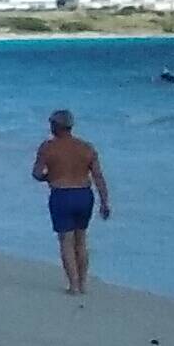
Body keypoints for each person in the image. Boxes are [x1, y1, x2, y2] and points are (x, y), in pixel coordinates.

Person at [32, 108, 113, 295]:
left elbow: (37, 173)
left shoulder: (48, 147)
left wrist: (50, 177)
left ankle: (73, 285)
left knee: (66, 242)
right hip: (84, 194)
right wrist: (105, 202)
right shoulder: (87, 147)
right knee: (81, 240)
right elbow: (99, 176)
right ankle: (83, 283)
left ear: (56, 126)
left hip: (62, 195)